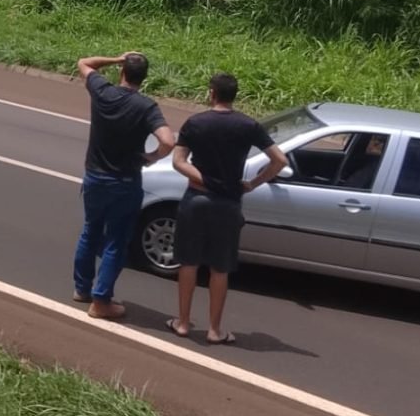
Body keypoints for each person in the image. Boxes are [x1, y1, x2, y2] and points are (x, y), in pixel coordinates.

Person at [169, 73, 287, 345]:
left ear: (212, 93)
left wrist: (202, 178)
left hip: (196, 199)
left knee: (188, 262)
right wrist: (253, 184)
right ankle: (215, 330)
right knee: (220, 268)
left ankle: (183, 323)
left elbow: (178, 161)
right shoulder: (248, 125)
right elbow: (279, 160)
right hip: (229, 203)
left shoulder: (195, 122)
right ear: (235, 95)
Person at [73, 52, 175, 320]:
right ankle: (101, 301)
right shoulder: (146, 107)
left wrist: (116, 58)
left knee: (90, 231)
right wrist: (152, 158)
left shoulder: (102, 91)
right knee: (116, 241)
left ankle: (82, 289)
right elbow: (167, 141)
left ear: (122, 73)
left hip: (94, 176)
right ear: (144, 78)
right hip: (125, 181)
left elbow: (84, 63)